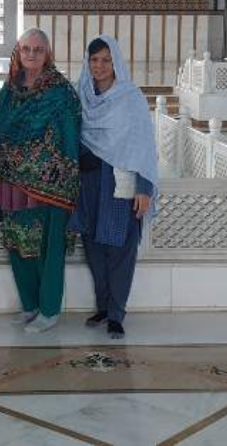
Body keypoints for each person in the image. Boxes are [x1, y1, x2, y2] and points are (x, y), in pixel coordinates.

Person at [0, 28, 80, 333]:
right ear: (17, 51)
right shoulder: (10, 88)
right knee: (17, 242)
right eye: (26, 48)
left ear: (47, 53)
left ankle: (49, 309)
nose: (31, 55)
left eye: (38, 50)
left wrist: (59, 172)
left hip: (48, 184)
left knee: (46, 246)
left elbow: (69, 138)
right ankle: (30, 306)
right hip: (12, 180)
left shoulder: (60, 91)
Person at [70, 35, 158, 339]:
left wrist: (144, 188)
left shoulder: (130, 97)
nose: (99, 66)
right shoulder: (82, 93)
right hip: (90, 181)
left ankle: (117, 313)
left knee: (120, 247)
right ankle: (104, 307)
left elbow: (145, 144)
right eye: (94, 60)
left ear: (116, 62)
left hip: (121, 180)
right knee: (94, 245)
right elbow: (73, 133)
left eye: (106, 60)